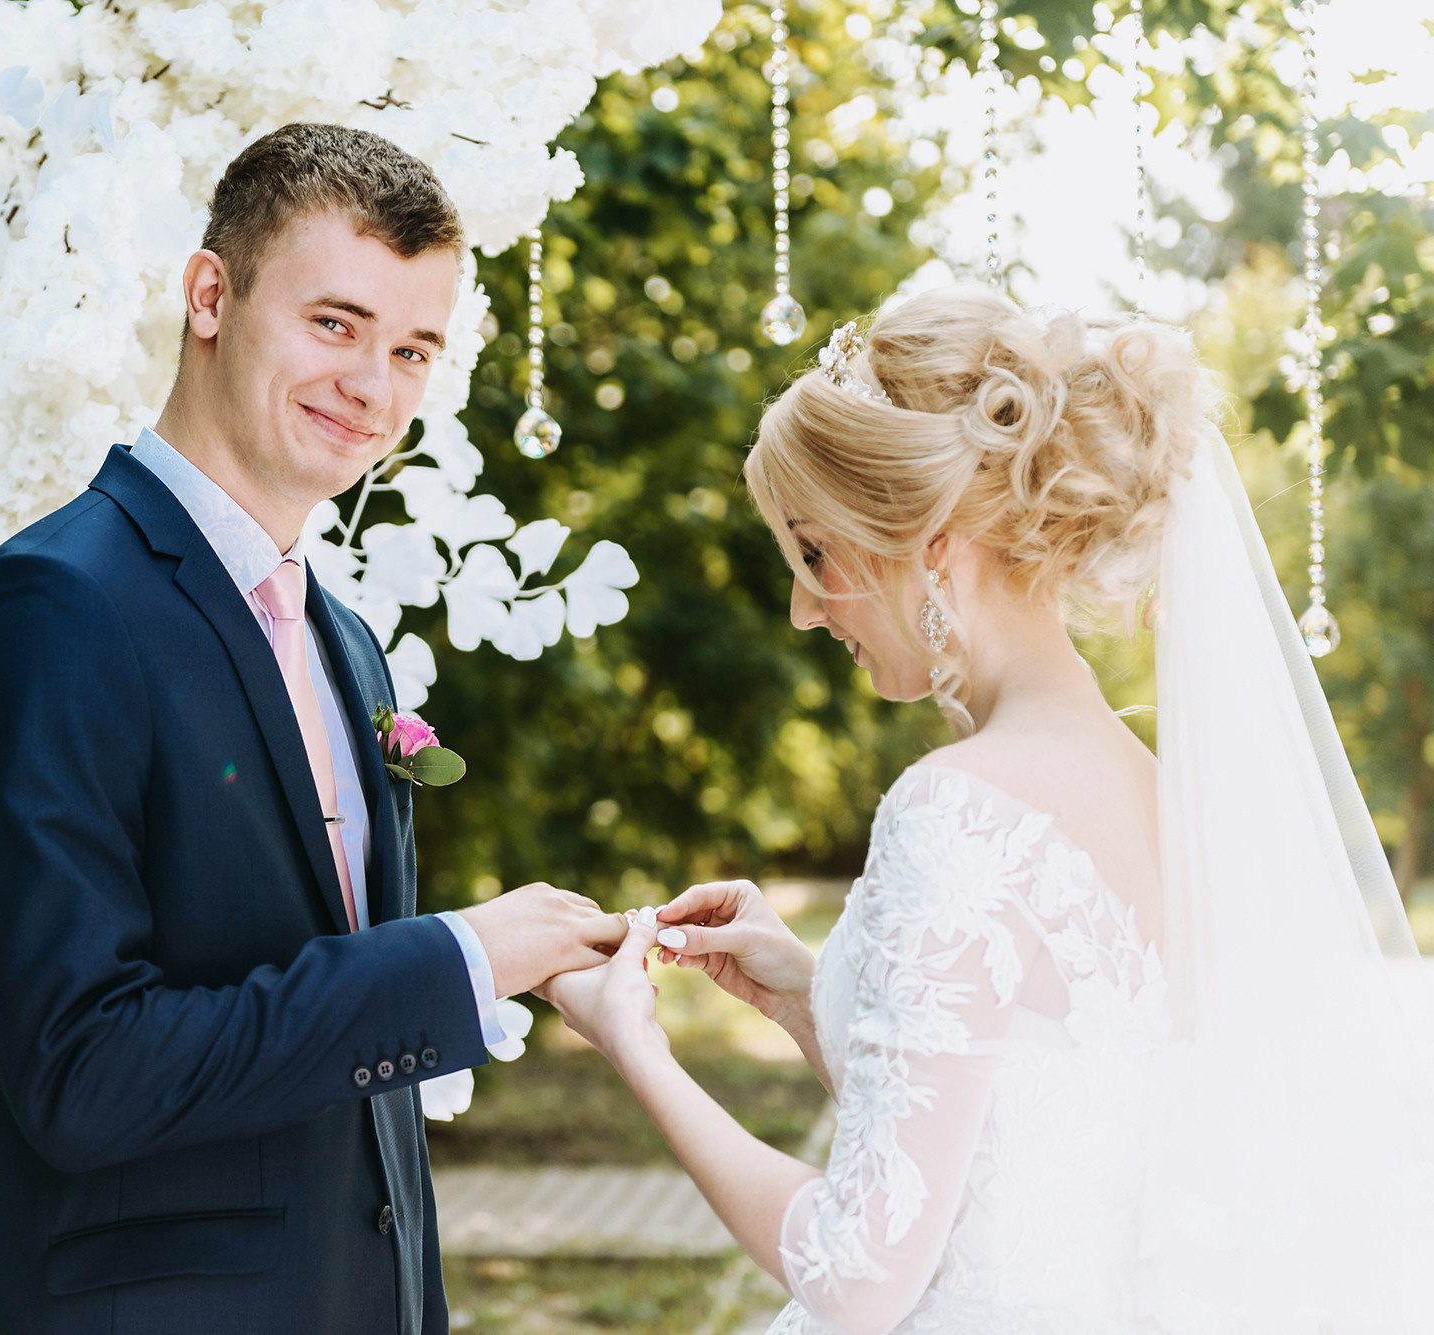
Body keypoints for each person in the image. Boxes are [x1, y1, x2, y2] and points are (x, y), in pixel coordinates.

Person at [540, 286, 1434, 1333]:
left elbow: (860, 1274)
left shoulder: (954, 809)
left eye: (814, 554)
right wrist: (801, 994)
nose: (800, 604)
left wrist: (633, 1046)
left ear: (927, 541)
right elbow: (1004, 1144)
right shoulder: (1152, 792)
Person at [0, 122, 626, 1335]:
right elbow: (81, 1074)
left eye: (411, 349)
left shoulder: (343, 642)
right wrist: (456, 961)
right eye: (334, 324)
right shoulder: (50, 608)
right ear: (210, 295)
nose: (372, 387)